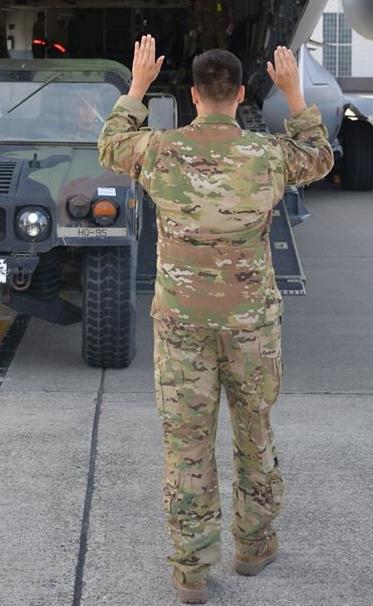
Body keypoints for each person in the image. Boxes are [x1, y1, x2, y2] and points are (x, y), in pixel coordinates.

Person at [97, 37, 334, 604]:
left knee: (187, 445)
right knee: (254, 434)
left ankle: (190, 572)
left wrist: (135, 87)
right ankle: (253, 547)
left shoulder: (159, 151)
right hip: (251, 325)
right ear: (243, 94)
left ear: (192, 94)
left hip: (181, 324)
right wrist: (296, 95)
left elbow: (110, 145)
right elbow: (320, 159)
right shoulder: (268, 155)